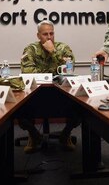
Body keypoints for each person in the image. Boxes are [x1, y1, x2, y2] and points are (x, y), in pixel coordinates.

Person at [20, 20, 79, 153]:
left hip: (60, 94)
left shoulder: (63, 48)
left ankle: (66, 134)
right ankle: (34, 135)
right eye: (45, 34)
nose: (49, 37)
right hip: (36, 94)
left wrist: (53, 52)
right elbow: (28, 73)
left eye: (51, 33)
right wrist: (51, 76)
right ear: (38, 36)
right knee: (19, 109)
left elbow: (69, 70)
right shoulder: (30, 49)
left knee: (80, 106)